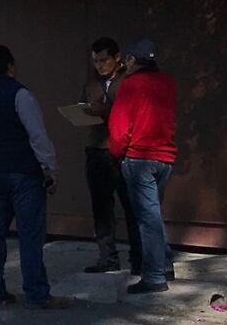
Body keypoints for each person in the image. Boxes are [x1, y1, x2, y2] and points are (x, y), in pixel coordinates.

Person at [0, 45, 71, 310]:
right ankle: (37, 293)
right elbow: (37, 136)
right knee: (30, 234)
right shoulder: (20, 94)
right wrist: (50, 168)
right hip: (23, 173)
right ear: (10, 66)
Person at [109, 39, 177, 294]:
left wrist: (118, 154)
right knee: (154, 214)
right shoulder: (167, 83)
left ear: (131, 60)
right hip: (165, 157)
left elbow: (120, 127)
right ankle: (166, 263)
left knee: (147, 219)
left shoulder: (130, 84)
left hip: (139, 158)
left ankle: (155, 276)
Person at [80, 37, 142, 275]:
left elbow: (133, 112)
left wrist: (105, 111)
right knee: (101, 207)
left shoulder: (129, 80)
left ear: (117, 58)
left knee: (131, 205)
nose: (100, 65)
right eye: (96, 61)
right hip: (96, 147)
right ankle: (107, 257)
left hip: (122, 150)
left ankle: (138, 257)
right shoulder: (91, 83)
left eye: (104, 60)